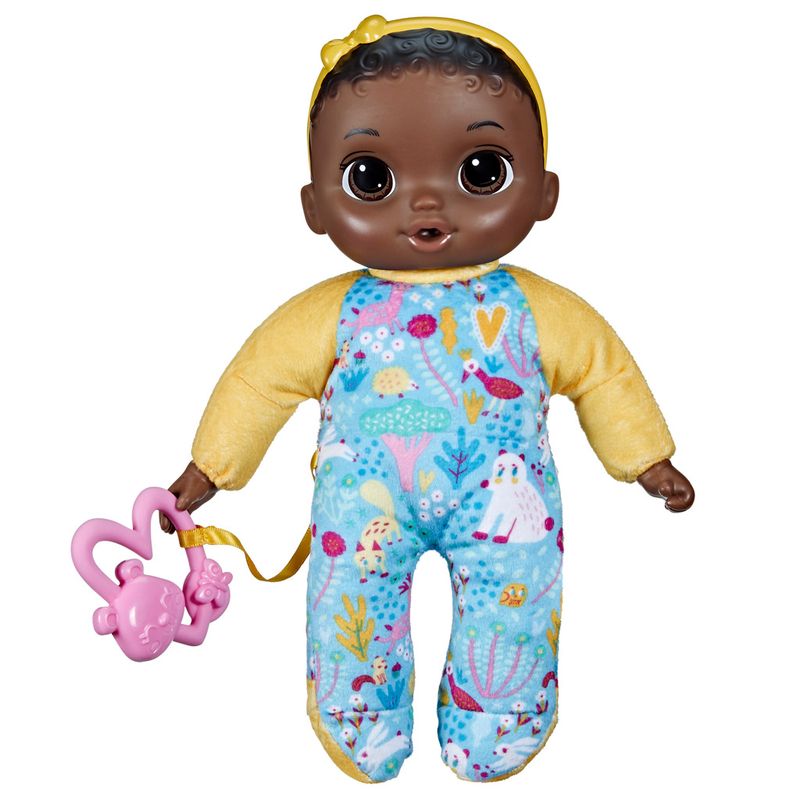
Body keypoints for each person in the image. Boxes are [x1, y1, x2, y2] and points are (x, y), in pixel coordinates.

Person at [159, 15, 694, 783]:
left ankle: (500, 718)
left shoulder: (542, 312)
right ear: (315, 207)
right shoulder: (328, 315)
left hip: (506, 511)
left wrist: (646, 459)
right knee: (351, 612)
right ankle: (359, 716)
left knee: (513, 613)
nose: (426, 204)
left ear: (545, 191)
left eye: (481, 170)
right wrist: (210, 468)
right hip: (364, 512)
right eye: (371, 178)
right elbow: (257, 383)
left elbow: (605, 375)